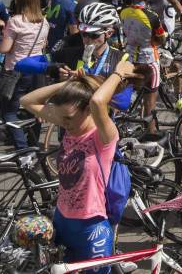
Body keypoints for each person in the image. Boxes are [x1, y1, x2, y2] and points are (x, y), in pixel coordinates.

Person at [20, 55, 135, 272]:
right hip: (62, 220)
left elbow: (98, 101)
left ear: (88, 110)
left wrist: (118, 73)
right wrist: (71, 84)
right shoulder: (71, 125)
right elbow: (27, 101)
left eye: (69, 118)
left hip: (92, 227)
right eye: (61, 117)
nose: (63, 123)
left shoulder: (103, 137)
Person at [0, 0, 48, 158]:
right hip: (38, 69)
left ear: (19, 0)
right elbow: (43, 45)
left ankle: (23, 150)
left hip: (17, 70)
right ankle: (33, 146)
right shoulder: (43, 22)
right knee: (35, 109)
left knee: (9, 112)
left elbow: (5, 48)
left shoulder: (15, 21)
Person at [121, 0, 167, 125]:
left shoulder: (123, 12)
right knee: (150, 105)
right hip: (149, 60)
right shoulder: (152, 16)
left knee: (128, 92)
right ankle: (150, 133)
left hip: (129, 58)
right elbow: (161, 39)